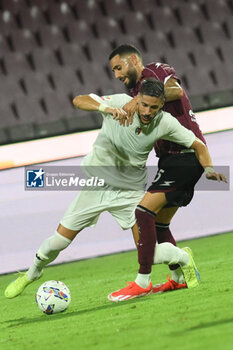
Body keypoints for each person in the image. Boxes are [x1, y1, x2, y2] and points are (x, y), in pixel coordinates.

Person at [4, 79, 208, 299]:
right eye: (144, 105)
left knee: (149, 253)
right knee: (58, 241)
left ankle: (183, 257)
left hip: (128, 192)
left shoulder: (164, 122)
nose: (148, 111)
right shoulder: (120, 102)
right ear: (137, 100)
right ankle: (32, 273)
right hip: (96, 185)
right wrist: (107, 109)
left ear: (160, 106)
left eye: (154, 107)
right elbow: (79, 100)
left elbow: (196, 142)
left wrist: (208, 168)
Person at [108, 44, 209, 294]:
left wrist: (137, 101)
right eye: (114, 72)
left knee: (142, 212)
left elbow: (176, 90)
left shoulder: (154, 70)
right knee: (159, 224)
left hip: (185, 155)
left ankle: (142, 281)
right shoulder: (137, 92)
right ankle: (179, 277)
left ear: (133, 60)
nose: (117, 75)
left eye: (119, 68)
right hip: (170, 159)